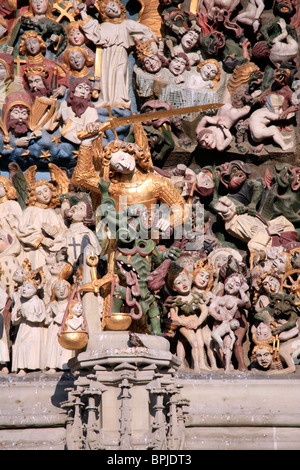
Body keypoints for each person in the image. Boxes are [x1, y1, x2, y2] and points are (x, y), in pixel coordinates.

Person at [78, 0, 157, 108]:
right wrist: (83, 13)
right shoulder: (105, 26)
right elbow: (93, 30)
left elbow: (144, 31)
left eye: (114, 5)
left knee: (120, 73)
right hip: (107, 54)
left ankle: (121, 99)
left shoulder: (127, 23)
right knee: (107, 75)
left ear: (120, 5)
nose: (114, 9)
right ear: (106, 14)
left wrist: (151, 42)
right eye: (109, 10)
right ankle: (105, 99)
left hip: (121, 53)